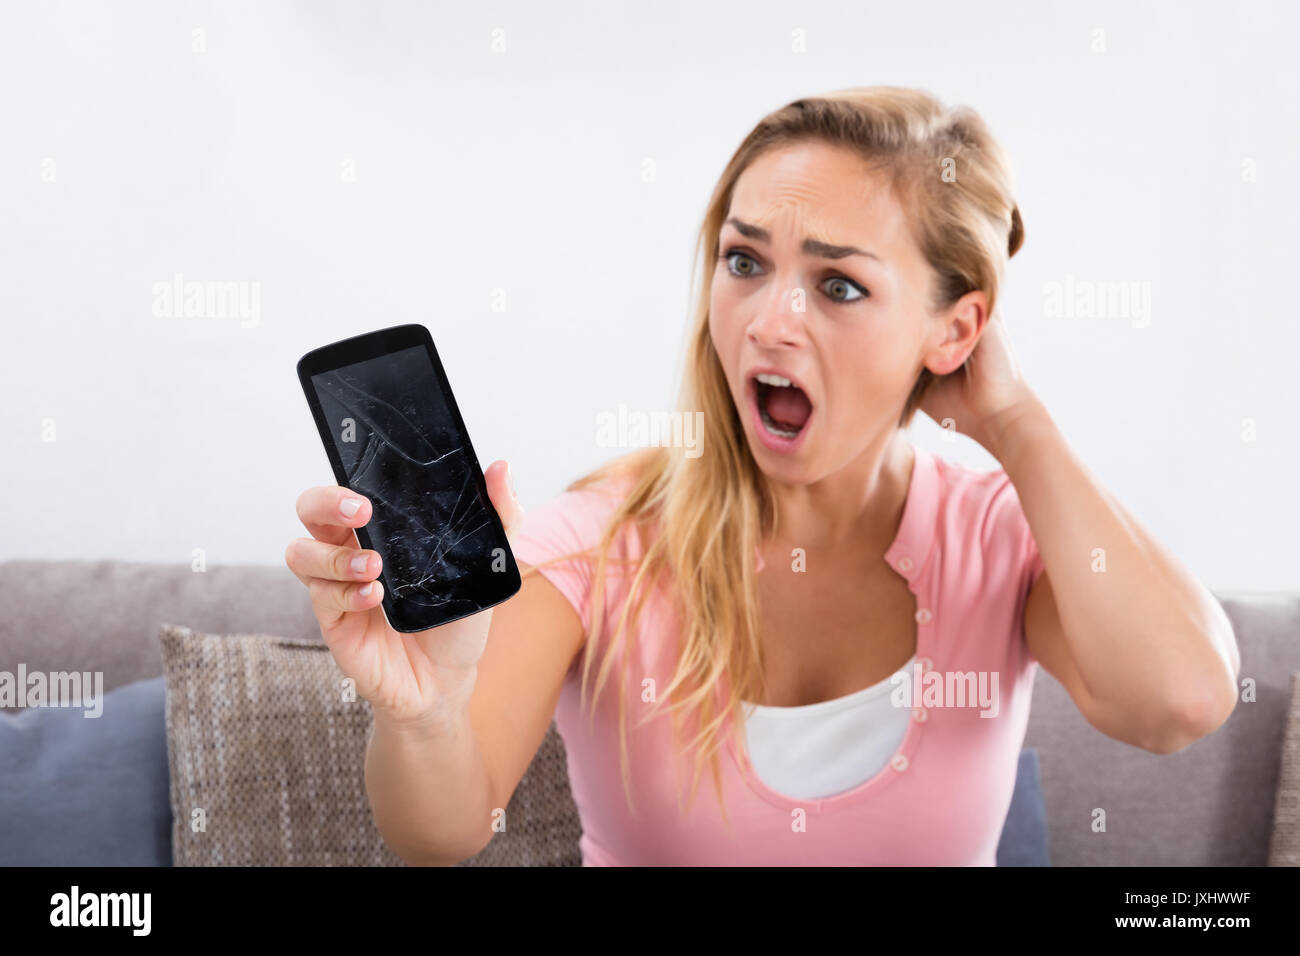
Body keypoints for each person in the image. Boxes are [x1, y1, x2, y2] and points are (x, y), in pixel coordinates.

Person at [284, 86, 1241, 865]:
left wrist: (1017, 421)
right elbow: (440, 833)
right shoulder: (594, 540)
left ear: (955, 330)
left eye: (839, 285)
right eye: (744, 260)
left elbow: (1182, 702)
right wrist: (426, 715)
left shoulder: (998, 540)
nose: (768, 321)